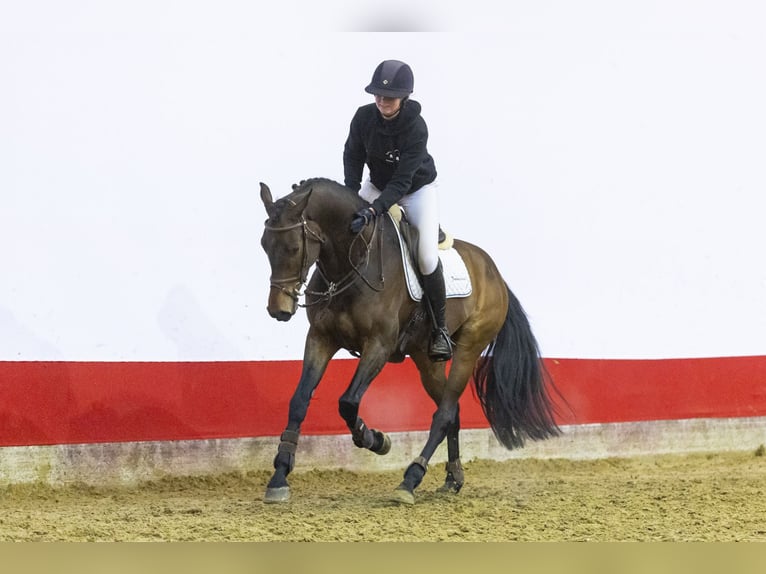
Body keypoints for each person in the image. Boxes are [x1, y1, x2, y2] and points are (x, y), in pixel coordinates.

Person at [343, 59, 452, 362]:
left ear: (404, 97)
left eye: (388, 97)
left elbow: (403, 180)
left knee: (427, 256)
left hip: (416, 191)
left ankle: (440, 330)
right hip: (377, 186)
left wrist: (375, 209)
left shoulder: (416, 127)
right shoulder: (364, 117)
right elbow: (352, 154)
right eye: (377, 95)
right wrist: (352, 194)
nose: (381, 101)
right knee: (349, 227)